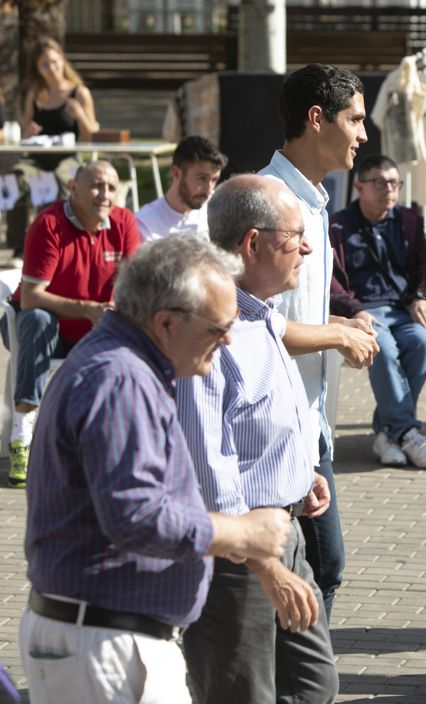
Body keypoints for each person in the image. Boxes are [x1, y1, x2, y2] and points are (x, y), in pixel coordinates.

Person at [20, 235, 293, 704]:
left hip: (103, 638)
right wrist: (244, 535)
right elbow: (138, 515)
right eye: (218, 327)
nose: (228, 339)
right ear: (165, 323)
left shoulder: (124, 367)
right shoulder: (121, 379)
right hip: (108, 646)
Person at [176, 175, 338, 703]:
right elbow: (207, 469)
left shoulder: (262, 314)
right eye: (294, 235)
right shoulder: (210, 332)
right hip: (236, 556)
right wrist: (261, 562)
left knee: (313, 685)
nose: (307, 247)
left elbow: (258, 420)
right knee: (240, 692)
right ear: (252, 243)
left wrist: (298, 473)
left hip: (282, 532)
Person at [259, 62, 381, 621]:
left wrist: (343, 321)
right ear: (316, 119)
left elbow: (293, 308)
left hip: (311, 424)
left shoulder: (313, 198)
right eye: (354, 119)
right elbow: (248, 324)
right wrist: (335, 334)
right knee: (291, 575)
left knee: (323, 567)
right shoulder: (267, 202)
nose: (363, 134)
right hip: (267, 431)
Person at [3, 160, 139, 487]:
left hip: (93, 328)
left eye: (111, 187)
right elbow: (32, 297)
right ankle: (22, 435)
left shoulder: (124, 222)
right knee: (38, 319)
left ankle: (117, 440)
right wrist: (88, 308)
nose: (104, 195)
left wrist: (111, 309)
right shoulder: (48, 224)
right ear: (72, 189)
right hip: (41, 328)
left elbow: (133, 287)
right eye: (96, 186)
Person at [330, 154, 426, 468]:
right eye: (379, 182)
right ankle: (407, 433)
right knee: (383, 347)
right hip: (361, 313)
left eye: (394, 183)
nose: (389, 190)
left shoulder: (409, 220)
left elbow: (424, 267)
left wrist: (420, 296)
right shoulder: (338, 225)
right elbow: (332, 281)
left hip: (402, 309)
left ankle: (388, 432)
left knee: (422, 343)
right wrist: (355, 310)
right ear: (359, 187)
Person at [7, 37, 100, 261]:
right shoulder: (37, 95)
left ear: (62, 60)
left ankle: (54, 240)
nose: (52, 68)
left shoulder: (78, 92)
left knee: (61, 179)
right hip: (38, 156)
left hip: (68, 156)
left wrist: (81, 116)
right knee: (13, 178)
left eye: (54, 62)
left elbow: (92, 136)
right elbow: (25, 132)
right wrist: (27, 131)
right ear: (37, 69)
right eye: (44, 64)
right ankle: (19, 246)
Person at [136, 135, 227, 241]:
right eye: (202, 178)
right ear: (176, 173)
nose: (209, 189)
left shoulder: (218, 210)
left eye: (214, 180)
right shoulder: (146, 224)